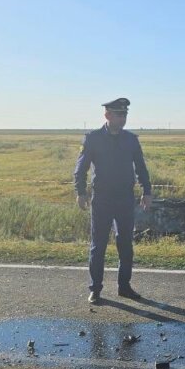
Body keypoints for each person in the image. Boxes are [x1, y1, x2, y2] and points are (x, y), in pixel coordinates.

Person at [74, 98, 152, 302]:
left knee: (125, 244)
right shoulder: (93, 138)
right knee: (98, 246)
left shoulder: (131, 140)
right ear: (107, 115)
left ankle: (124, 287)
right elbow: (80, 169)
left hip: (125, 198)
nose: (123, 118)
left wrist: (147, 191)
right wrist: (81, 192)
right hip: (102, 199)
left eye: (125, 114)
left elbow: (141, 167)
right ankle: (95, 289)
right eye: (119, 114)